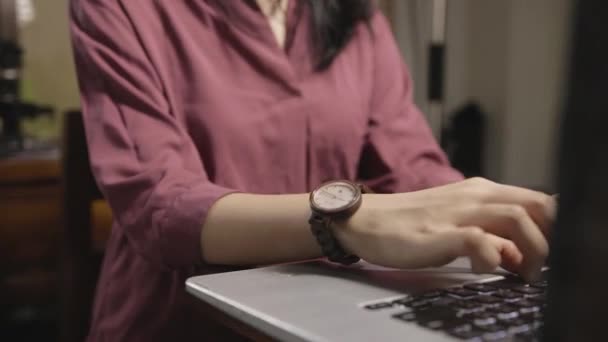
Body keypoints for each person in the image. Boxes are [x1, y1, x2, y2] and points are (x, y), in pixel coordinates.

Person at [70, 0, 555, 340]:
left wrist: (504, 216)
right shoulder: (122, 7)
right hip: (175, 321)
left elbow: (412, 165)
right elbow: (160, 201)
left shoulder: (355, 17)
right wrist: (345, 221)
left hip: (333, 319)